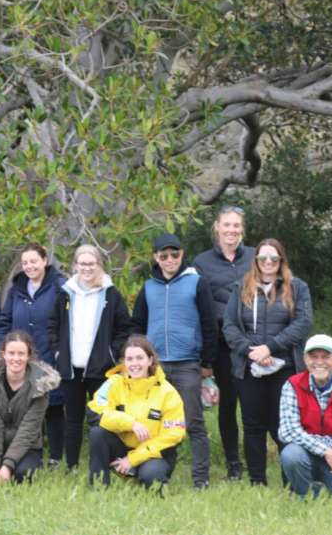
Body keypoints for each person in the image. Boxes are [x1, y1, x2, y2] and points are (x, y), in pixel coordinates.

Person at [223, 238, 313, 486]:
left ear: (281, 260)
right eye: (263, 258)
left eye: (274, 258)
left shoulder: (296, 287)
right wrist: (250, 350)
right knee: (252, 425)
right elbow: (229, 325)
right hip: (248, 366)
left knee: (283, 426)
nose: (269, 262)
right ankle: (257, 480)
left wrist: (270, 348)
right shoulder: (241, 286)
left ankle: (290, 480)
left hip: (285, 367)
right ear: (256, 261)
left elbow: (303, 324)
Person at [131, 233, 217, 489]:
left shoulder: (196, 283)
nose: (170, 260)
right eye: (164, 255)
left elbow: (209, 324)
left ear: (182, 254)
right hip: (156, 367)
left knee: (193, 422)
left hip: (187, 363)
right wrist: (138, 358)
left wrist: (207, 363)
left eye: (175, 254)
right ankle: (161, 474)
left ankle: (201, 478)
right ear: (156, 258)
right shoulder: (148, 287)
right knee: (159, 422)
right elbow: (137, 324)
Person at [48, 244, 132, 470]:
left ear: (99, 265)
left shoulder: (111, 294)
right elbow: (53, 325)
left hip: (100, 369)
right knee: (73, 420)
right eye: (82, 263)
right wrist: (58, 352)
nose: (87, 268)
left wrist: (111, 354)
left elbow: (124, 328)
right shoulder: (65, 293)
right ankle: (71, 465)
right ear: (75, 265)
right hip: (71, 368)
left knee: (101, 419)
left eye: (91, 264)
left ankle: (102, 464)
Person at [192, 206, 253, 480]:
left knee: (254, 406)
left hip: (254, 344)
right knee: (228, 406)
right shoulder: (202, 262)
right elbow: (200, 308)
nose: (231, 230)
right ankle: (233, 465)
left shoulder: (254, 257)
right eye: (226, 225)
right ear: (217, 227)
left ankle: (256, 462)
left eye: (236, 225)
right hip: (222, 347)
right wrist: (205, 358)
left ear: (242, 229)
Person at [0, 244, 67, 467]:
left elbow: (67, 322)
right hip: (20, 359)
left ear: (44, 261)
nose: (29, 266)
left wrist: (60, 351)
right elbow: (4, 320)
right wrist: (4, 346)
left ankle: (55, 457)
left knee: (53, 406)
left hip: (49, 356)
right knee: (26, 408)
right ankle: (28, 453)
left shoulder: (59, 286)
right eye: (25, 262)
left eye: (34, 261)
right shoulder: (16, 288)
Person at [87, 335, 186, 489]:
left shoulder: (168, 392)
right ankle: (99, 488)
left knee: (152, 478)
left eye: (139, 358)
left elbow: (173, 436)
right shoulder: (114, 383)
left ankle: (141, 474)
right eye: (130, 359)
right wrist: (131, 423)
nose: (134, 364)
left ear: (150, 360)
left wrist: (132, 460)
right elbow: (95, 411)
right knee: (97, 433)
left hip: (153, 453)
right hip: (122, 447)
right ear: (124, 362)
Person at [278, 334, 332, 505]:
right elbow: (287, 432)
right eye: (313, 356)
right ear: (305, 359)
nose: (319, 362)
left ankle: (327, 486)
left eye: (325, 357)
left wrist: (311, 442)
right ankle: (306, 496)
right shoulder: (292, 385)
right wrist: (327, 452)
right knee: (291, 454)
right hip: (308, 457)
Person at [0, 331, 61, 484]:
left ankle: (11, 468)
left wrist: (7, 465)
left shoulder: (41, 384)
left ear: (29, 356)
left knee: (22, 475)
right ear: (3, 354)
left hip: (26, 445)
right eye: (11, 353)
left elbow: (28, 430)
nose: (16, 358)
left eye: (21, 354)